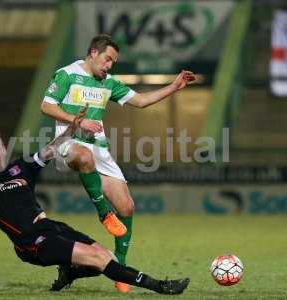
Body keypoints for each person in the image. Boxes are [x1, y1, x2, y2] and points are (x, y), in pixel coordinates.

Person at [0, 118, 190, 295]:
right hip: (31, 242)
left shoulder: (22, 167)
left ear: (4, 147)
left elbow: (53, 147)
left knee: (104, 257)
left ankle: (69, 272)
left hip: (50, 227)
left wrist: (71, 129)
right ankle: (160, 286)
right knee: (101, 260)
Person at [41, 33, 195, 292]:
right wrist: (76, 121)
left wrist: (173, 86)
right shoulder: (66, 74)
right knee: (84, 156)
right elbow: (46, 106)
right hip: (67, 144)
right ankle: (103, 213)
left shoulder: (109, 83)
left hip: (99, 149)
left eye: (113, 62)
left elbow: (142, 101)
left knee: (127, 206)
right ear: (93, 53)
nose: (110, 65)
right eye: (107, 59)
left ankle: (120, 270)